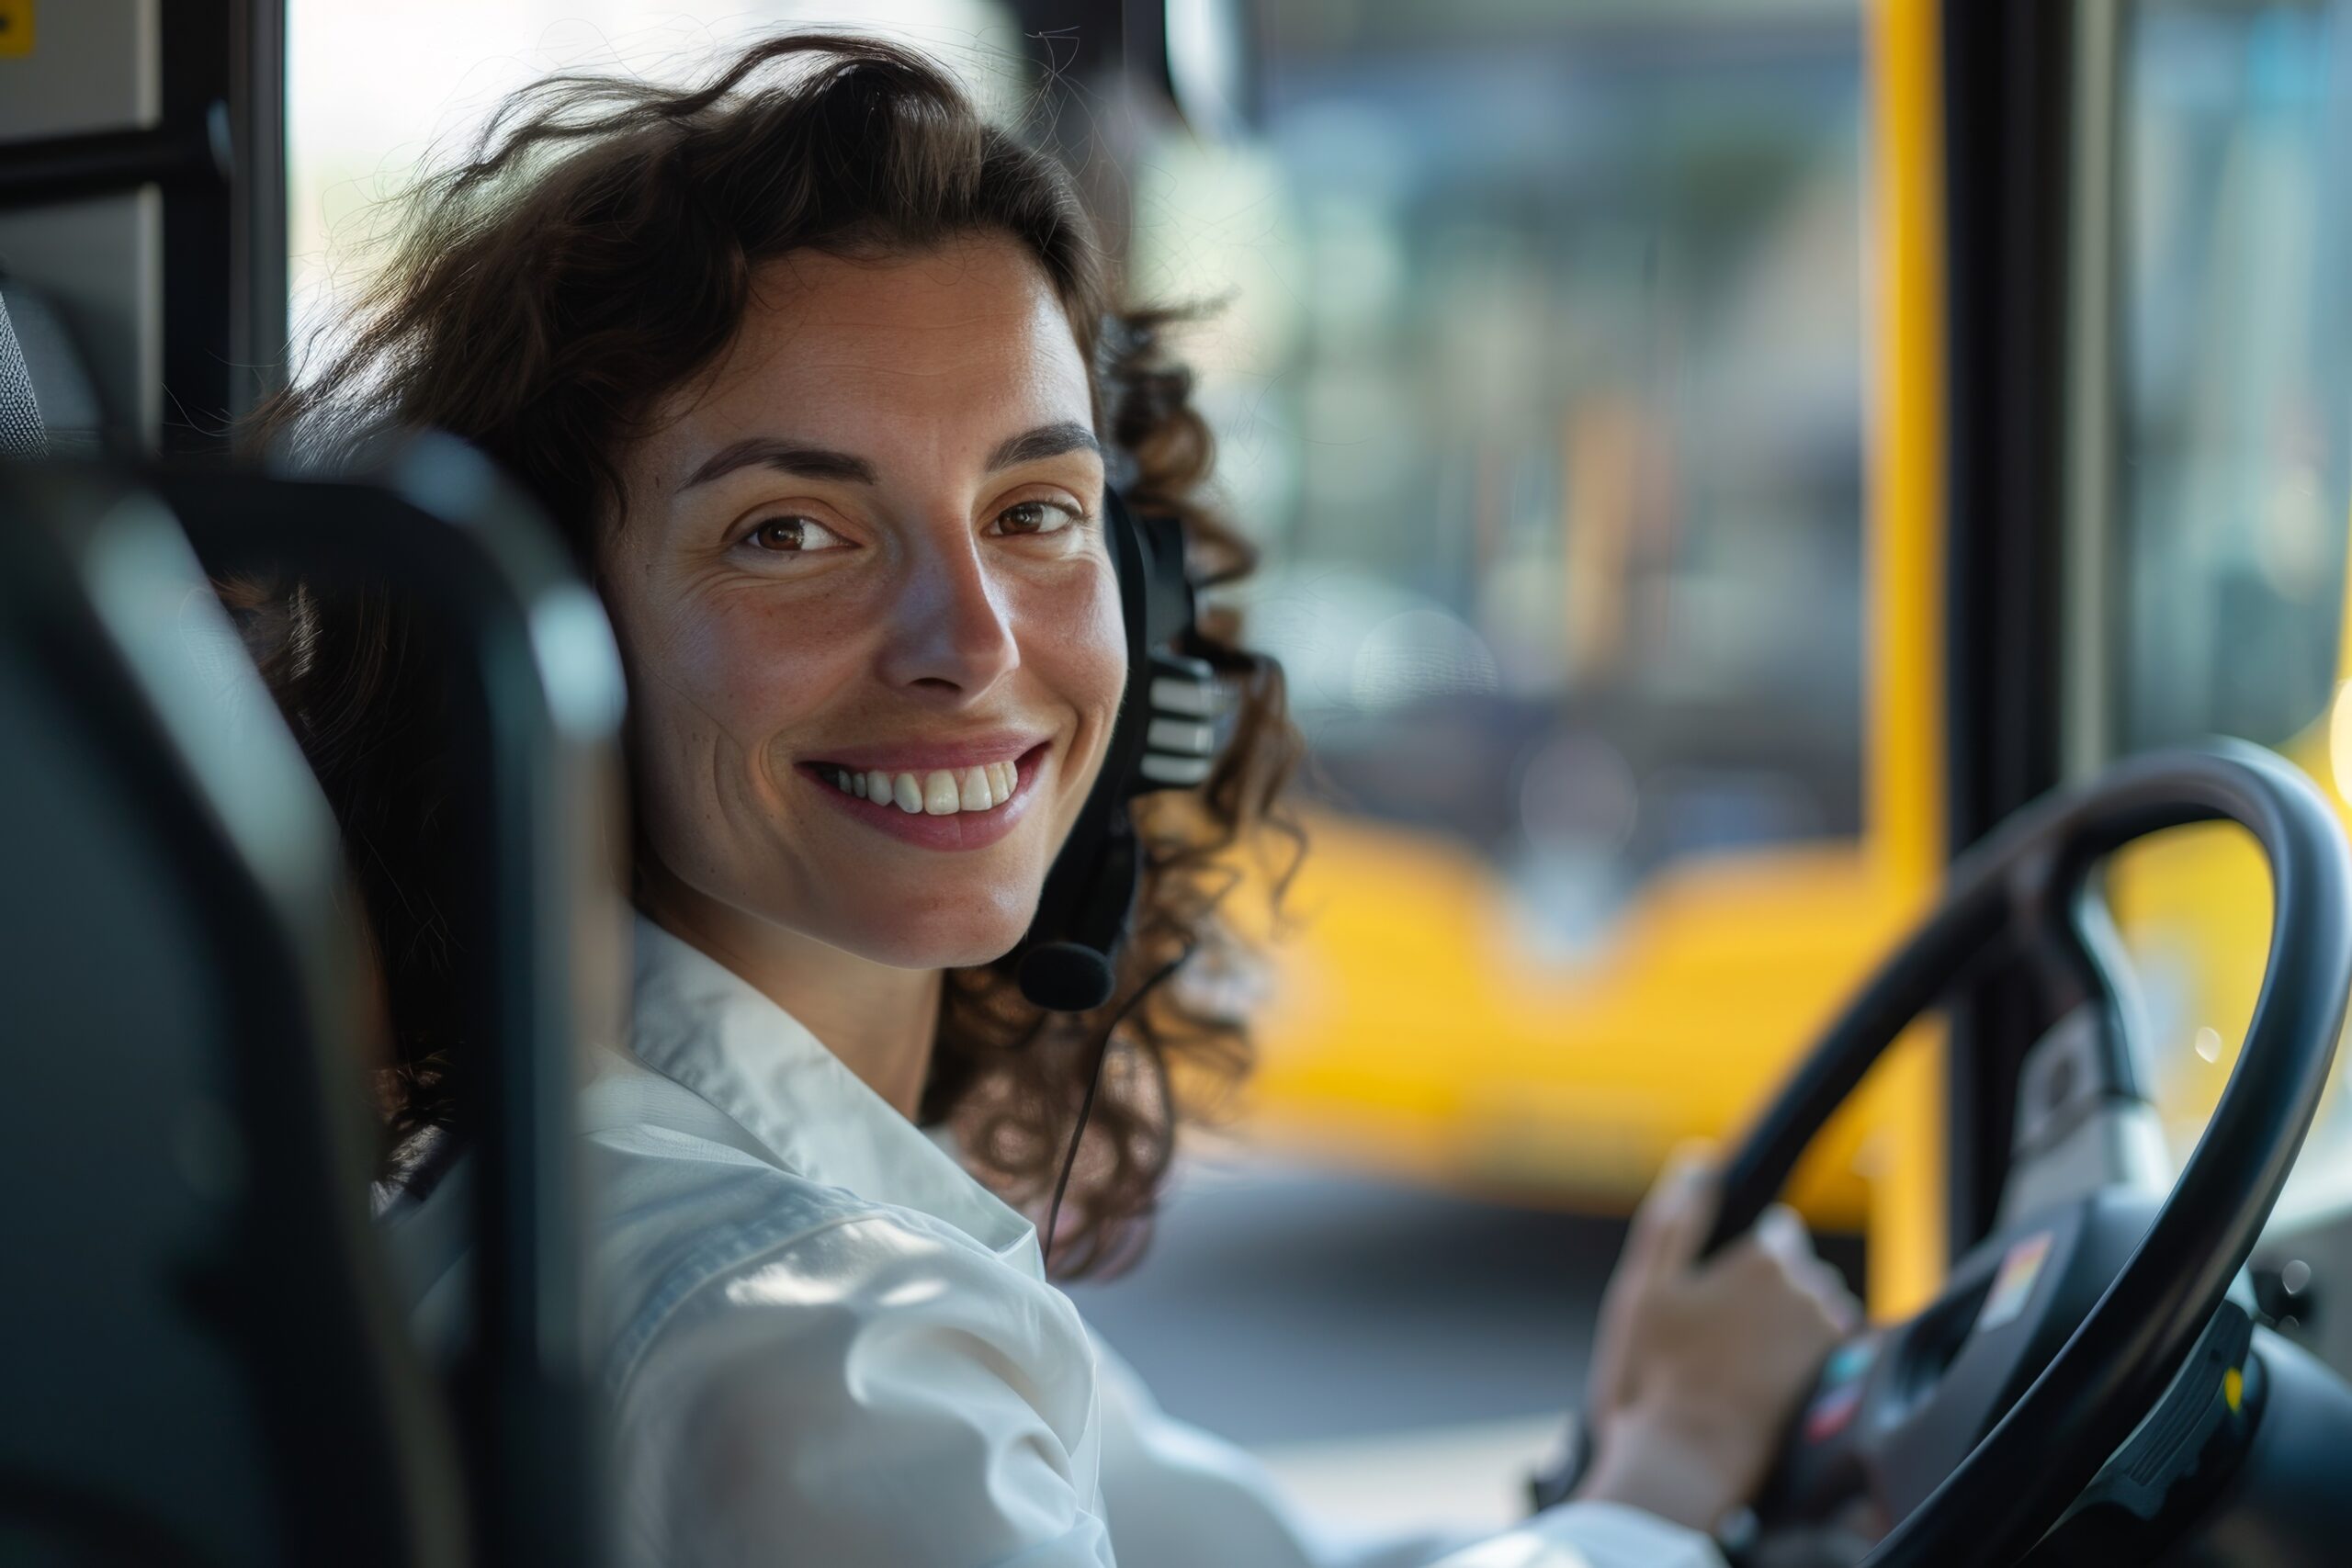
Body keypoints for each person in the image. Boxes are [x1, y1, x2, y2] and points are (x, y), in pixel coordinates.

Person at [249, 32, 1859, 1567]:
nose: (972, 643)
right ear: (550, 639)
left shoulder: (730, 1202)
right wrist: (1658, 1487)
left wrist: (1633, 1463)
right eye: (791, 533)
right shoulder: (787, 1336)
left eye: (1034, 511)